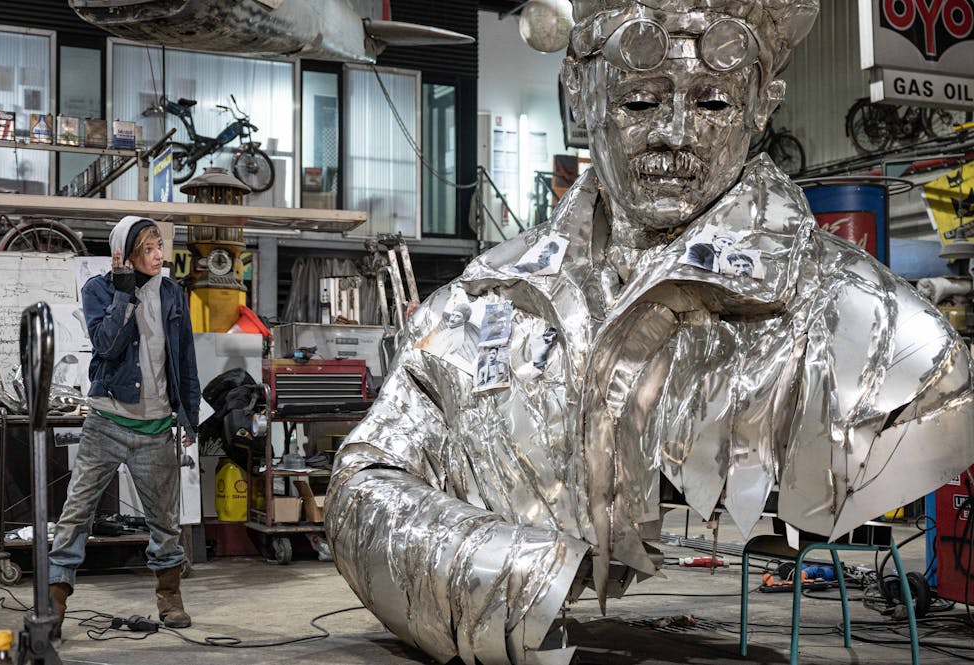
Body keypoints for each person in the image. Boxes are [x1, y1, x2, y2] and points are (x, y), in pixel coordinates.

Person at [325, 2, 974, 664]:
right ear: (581, 96)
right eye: (639, 103)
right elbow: (362, 484)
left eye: (712, 102)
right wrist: (522, 571)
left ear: (761, 107)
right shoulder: (478, 309)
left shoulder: (882, 333)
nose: (673, 132)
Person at [48, 216, 200, 639]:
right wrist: (123, 294)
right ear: (127, 253)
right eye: (150, 248)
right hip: (106, 422)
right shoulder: (99, 289)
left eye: (159, 247)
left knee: (165, 522)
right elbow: (107, 346)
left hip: (156, 428)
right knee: (76, 514)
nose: (159, 255)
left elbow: (184, 358)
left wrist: (188, 416)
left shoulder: (173, 294)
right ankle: (54, 602)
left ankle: (169, 597)